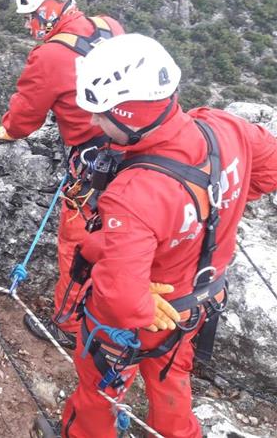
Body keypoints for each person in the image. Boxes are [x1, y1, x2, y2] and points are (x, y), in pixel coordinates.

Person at [61, 33, 277, 437]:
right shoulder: (223, 127)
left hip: (148, 306)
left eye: (101, 113)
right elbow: (269, 170)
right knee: (170, 376)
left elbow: (119, 298)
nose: (92, 121)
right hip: (196, 300)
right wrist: (209, 211)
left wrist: (141, 305)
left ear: (127, 115)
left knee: (99, 387)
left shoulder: (135, 193)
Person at [0, 0, 125, 349]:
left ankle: (66, 324)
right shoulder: (109, 26)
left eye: (31, 17)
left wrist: (6, 131)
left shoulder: (49, 55)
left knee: (78, 241)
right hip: (138, 141)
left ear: (46, 10)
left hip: (96, 158)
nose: (29, 27)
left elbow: (26, 114)